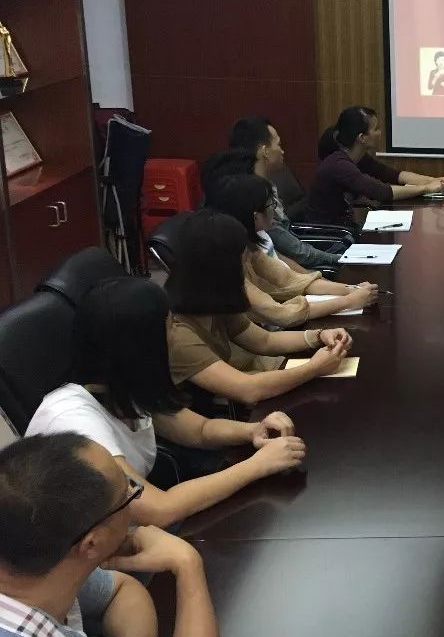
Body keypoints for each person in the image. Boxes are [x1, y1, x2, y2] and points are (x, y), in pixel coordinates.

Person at [0, 433, 221, 637]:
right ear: (92, 543)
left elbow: (122, 590)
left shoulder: (29, 562)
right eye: (127, 496)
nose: (134, 493)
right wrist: (187, 564)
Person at [26, 277, 307, 526]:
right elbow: (158, 509)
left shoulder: (123, 387)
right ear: (143, 346)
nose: (176, 333)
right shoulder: (74, 422)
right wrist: (257, 466)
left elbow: (199, 430)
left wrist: (252, 430)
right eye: (170, 326)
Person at [167, 210, 354, 405]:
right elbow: (248, 389)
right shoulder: (178, 331)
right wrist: (314, 368)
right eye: (241, 262)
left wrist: (319, 336)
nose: (245, 268)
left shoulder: (212, 300)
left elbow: (265, 340)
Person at [206, 173, 376, 327]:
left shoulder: (250, 248)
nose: (274, 209)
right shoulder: (227, 264)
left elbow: (292, 280)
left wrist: (352, 289)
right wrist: (348, 301)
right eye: (271, 204)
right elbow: (281, 314)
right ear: (255, 216)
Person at [226, 115, 346, 268]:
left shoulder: (262, 183)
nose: (282, 151)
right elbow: (296, 253)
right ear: (265, 151)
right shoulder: (253, 196)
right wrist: (340, 259)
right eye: (278, 144)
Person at [306, 106, 444, 225]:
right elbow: (382, 193)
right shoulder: (340, 166)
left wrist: (433, 180)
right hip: (331, 236)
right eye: (376, 129)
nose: (380, 133)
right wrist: (426, 188)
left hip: (344, 229)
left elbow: (394, 175)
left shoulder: (358, 158)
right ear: (362, 138)